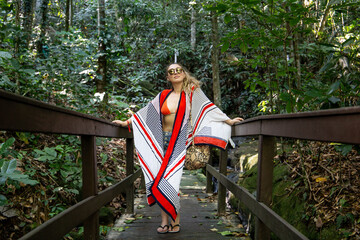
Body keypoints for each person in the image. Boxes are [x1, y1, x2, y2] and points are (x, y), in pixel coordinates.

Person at [113, 63, 243, 234]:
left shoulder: (192, 93)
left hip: (179, 142)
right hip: (161, 142)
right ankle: (164, 221)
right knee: (159, 180)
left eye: (178, 70)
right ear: (167, 77)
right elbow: (145, 114)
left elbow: (209, 109)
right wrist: (126, 123)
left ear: (183, 73)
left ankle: (176, 220)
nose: (175, 73)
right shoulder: (163, 96)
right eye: (171, 71)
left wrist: (228, 121)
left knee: (171, 181)